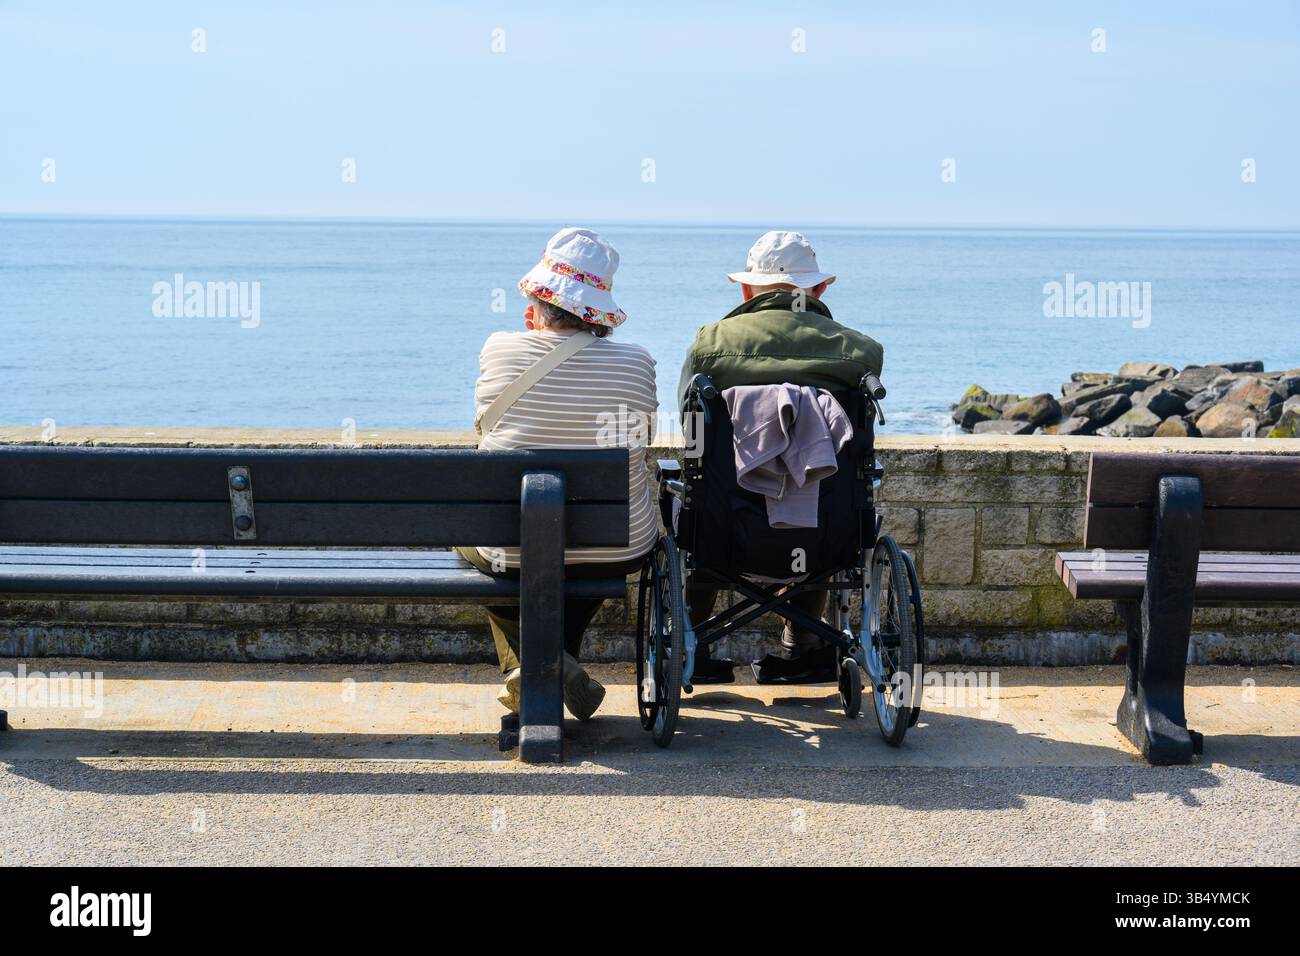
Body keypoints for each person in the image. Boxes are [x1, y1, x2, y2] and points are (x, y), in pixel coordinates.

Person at [458, 227, 658, 721]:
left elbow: (486, 425)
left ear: (538, 301)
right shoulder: (636, 362)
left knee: (478, 532)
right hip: (614, 546)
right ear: (600, 312)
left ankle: (529, 665)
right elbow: (642, 437)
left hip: (512, 545)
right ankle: (558, 664)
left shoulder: (501, 348)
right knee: (574, 555)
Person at [677, 230, 883, 684]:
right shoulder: (860, 352)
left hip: (727, 527)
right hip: (826, 527)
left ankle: (694, 641)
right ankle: (803, 645)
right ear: (820, 288)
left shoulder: (711, 344)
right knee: (818, 492)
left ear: (746, 289)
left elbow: (690, 430)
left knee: (698, 498)